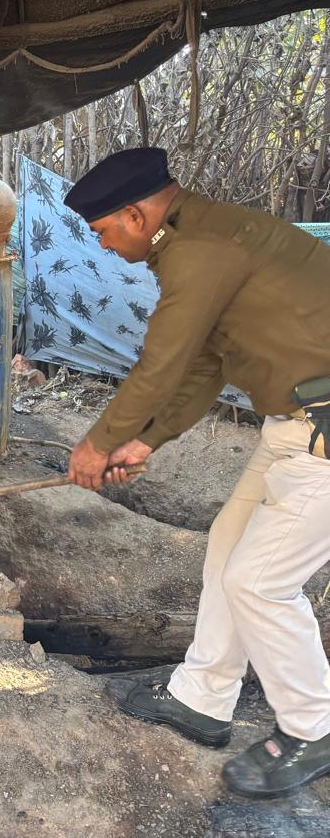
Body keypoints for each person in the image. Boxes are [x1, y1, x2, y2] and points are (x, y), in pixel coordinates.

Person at [64, 147, 330, 798]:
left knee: (258, 582)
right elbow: (206, 366)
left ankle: (314, 729)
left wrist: (97, 444)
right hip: (292, 424)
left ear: (134, 214)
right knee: (226, 548)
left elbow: (163, 360)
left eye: (101, 232)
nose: (102, 247)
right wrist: (146, 441)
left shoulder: (199, 249)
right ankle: (202, 700)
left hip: (324, 432)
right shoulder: (204, 235)